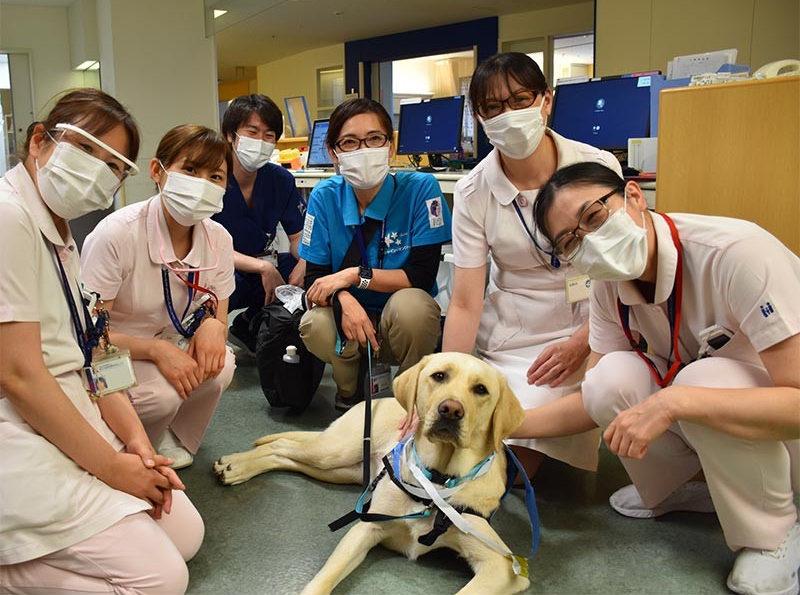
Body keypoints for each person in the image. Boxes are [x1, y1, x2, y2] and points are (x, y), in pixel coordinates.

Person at [516, 161, 800, 595]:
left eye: (593, 217)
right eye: (571, 241)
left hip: (785, 435)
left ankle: (774, 534)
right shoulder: (610, 285)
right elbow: (596, 398)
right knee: (610, 377)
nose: (590, 240)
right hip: (729, 430)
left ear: (634, 196)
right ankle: (683, 488)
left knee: (700, 380)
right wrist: (503, 423)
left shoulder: (736, 254)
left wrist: (673, 402)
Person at [0, 88, 203, 593]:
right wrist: (112, 467)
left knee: (187, 536)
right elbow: (19, 377)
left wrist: (136, 442)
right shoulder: (9, 217)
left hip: (72, 409)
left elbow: (96, 354)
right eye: (87, 148)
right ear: (40, 141)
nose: (98, 170)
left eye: (114, 164)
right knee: (162, 581)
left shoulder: (61, 235)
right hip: (18, 429)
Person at [442, 52, 622, 476]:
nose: (508, 115)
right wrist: (447, 381)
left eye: (520, 100)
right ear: (479, 118)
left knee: (517, 454)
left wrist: (582, 342)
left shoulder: (597, 166)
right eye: (492, 107)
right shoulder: (473, 191)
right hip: (515, 337)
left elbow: (623, 273)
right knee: (479, 452)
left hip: (593, 326)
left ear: (546, 100)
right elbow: (465, 303)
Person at [82, 124, 236, 469]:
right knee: (161, 395)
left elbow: (219, 312)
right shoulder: (117, 234)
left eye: (215, 176)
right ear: (158, 171)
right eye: (190, 170)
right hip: (107, 354)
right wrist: (156, 350)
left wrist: (215, 326)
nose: (202, 184)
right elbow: (89, 337)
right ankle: (125, 444)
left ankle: (172, 433)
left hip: (170, 340)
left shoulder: (219, 239)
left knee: (221, 362)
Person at [299, 98, 451, 411]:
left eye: (374, 139)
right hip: (348, 320)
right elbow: (315, 278)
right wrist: (345, 300)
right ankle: (348, 389)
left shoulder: (421, 189)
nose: (363, 149)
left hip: (400, 319)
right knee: (315, 323)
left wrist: (355, 276)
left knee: (415, 308)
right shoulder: (324, 197)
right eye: (350, 142)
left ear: (390, 147)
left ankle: (409, 398)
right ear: (334, 152)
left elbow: (421, 276)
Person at [213, 94, 307, 355]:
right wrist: (262, 267)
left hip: (262, 263)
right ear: (230, 135)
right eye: (252, 132)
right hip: (222, 267)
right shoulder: (211, 177)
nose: (261, 142)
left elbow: (298, 235)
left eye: (269, 135)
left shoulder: (280, 180)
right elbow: (205, 246)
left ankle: (250, 324)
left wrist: (305, 260)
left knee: (311, 271)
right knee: (216, 283)